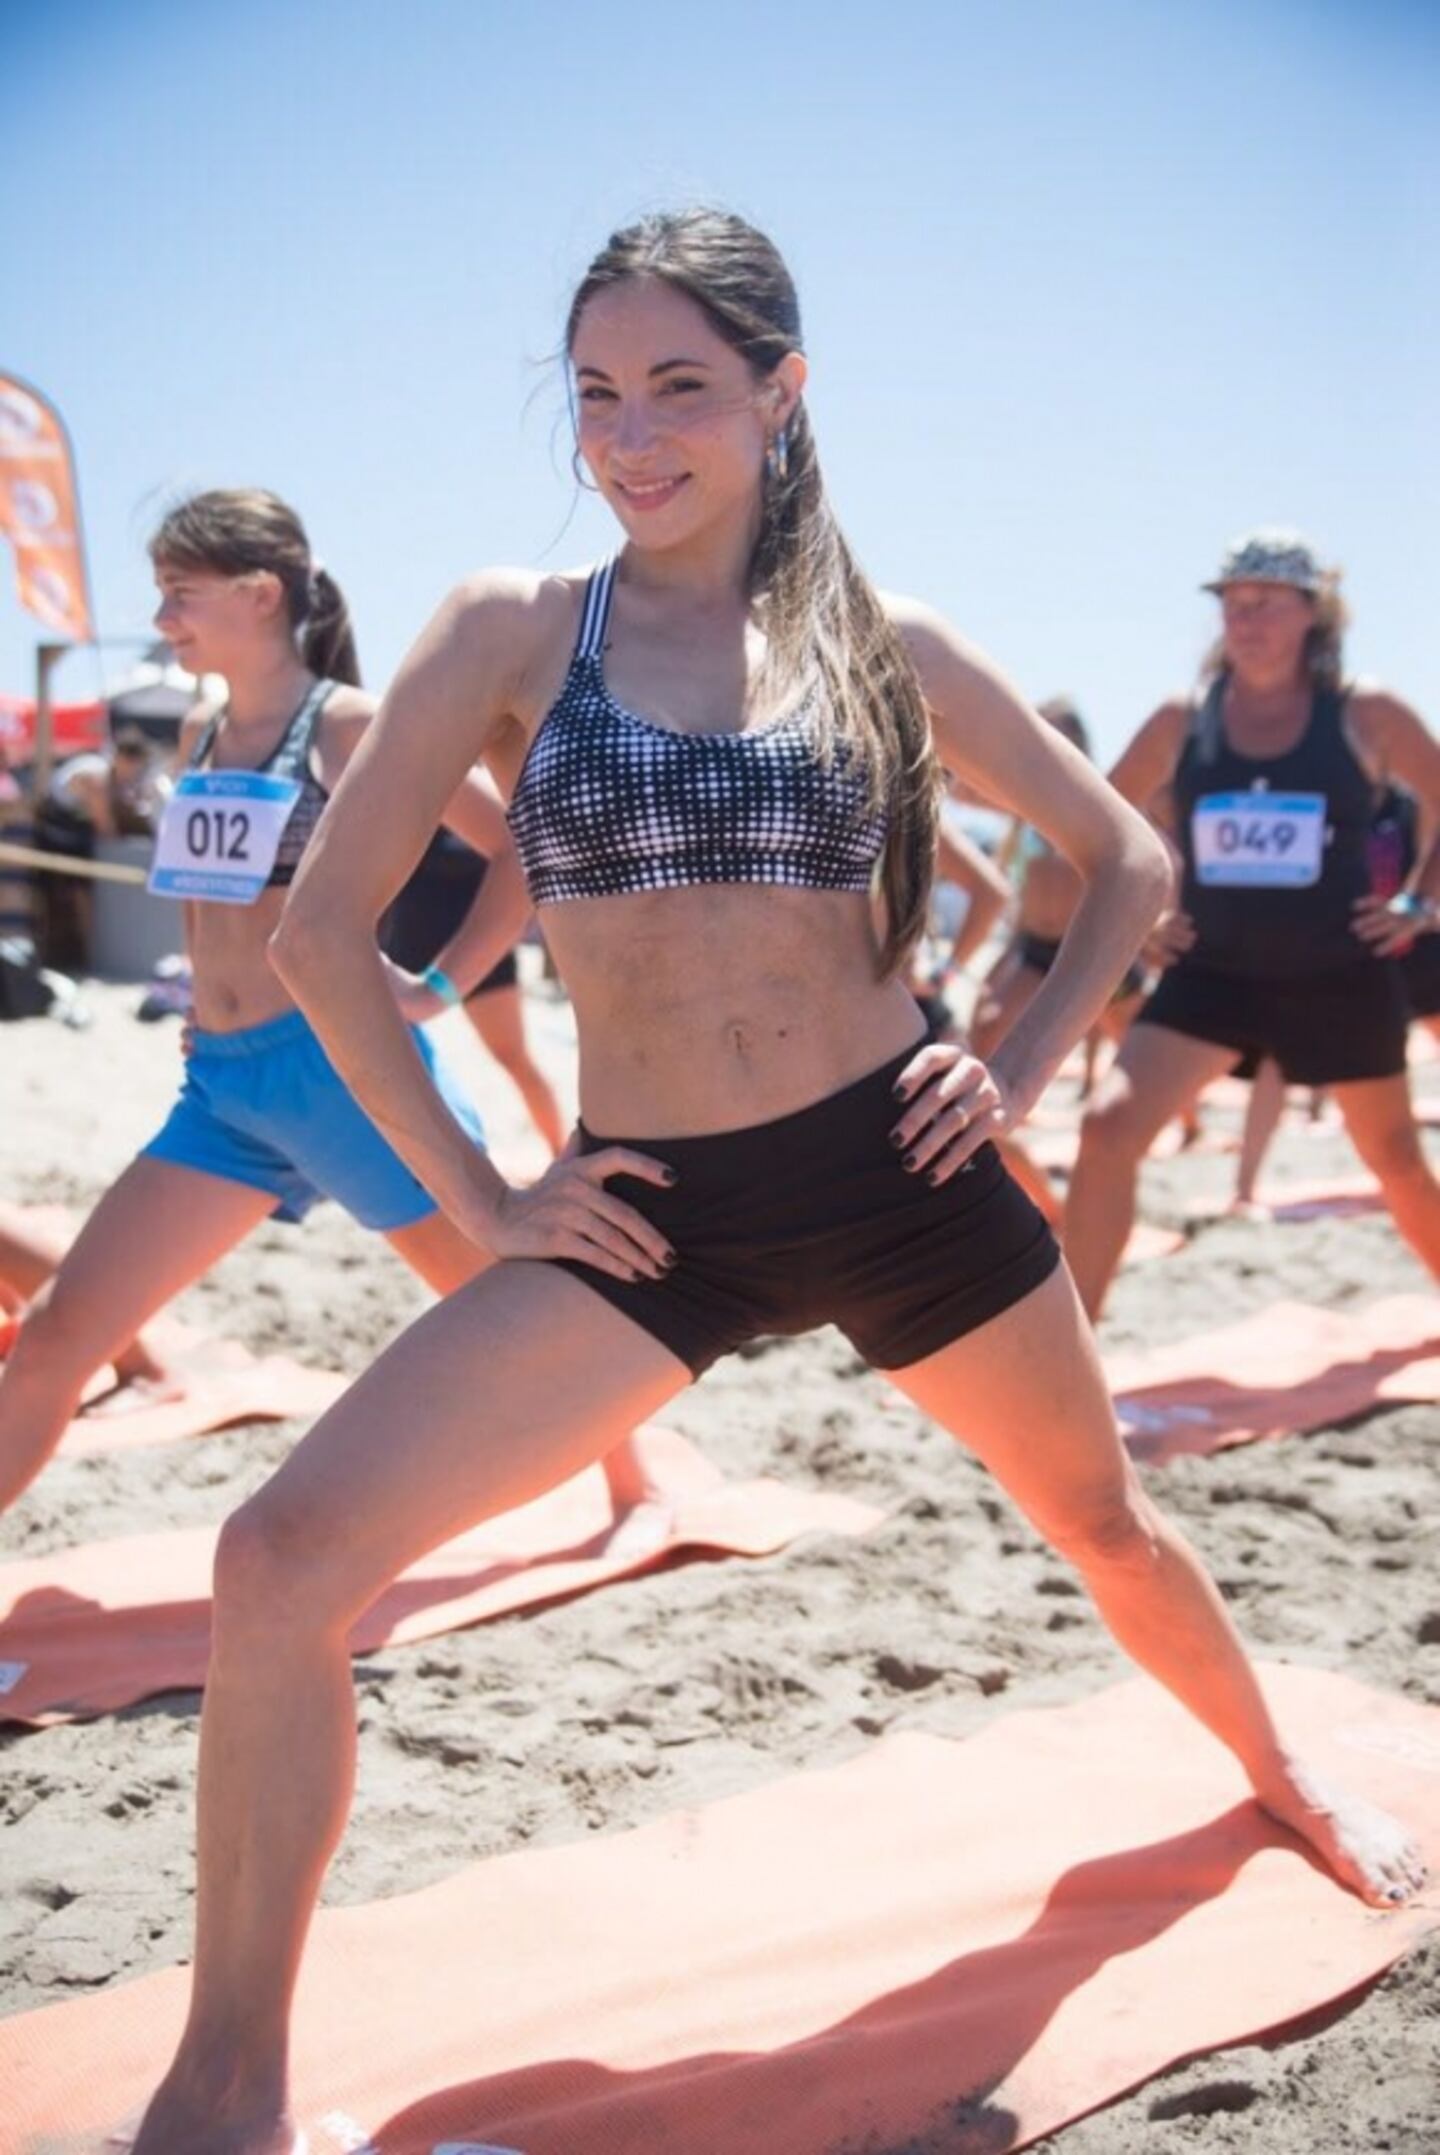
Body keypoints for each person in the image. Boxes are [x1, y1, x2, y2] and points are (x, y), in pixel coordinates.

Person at [130, 217, 1423, 2155]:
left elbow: (1121, 872)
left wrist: (1015, 1069)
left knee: (1109, 1528)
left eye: (678, 387)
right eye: (594, 393)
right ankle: (223, 2093)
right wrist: (481, 1202)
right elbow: (328, 936)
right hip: (651, 1215)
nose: (630, 436)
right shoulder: (506, 629)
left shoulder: (884, 646)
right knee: (277, 1561)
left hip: (900, 1173)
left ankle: (1278, 1765)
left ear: (777, 394)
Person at [0, 489, 653, 1525]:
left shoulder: (344, 724)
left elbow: (521, 846)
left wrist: (436, 986)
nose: (163, 617)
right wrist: (194, 994)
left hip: (342, 1075)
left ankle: (639, 1483)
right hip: (222, 1086)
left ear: (260, 595)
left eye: (181, 593)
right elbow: (211, 898)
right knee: (56, 1333)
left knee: (507, 1305)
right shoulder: (208, 732)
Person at [1065, 528, 1440, 1316]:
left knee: (1396, 1160)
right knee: (1106, 1131)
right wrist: (1149, 910)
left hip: (1339, 973)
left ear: (1313, 613)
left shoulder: (1364, 712)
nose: (1245, 618)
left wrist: (1419, 899)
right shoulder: (1183, 719)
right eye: (1232, 603)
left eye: (1265, 602)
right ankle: (1076, 1351)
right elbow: (1101, 816)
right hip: (1216, 975)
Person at [380, 819, 567, 1155]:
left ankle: (560, 1155)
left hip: (480, 948)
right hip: (407, 942)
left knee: (513, 1056)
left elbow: (519, 852)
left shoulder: (475, 790)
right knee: (387, 1069)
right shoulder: (392, 787)